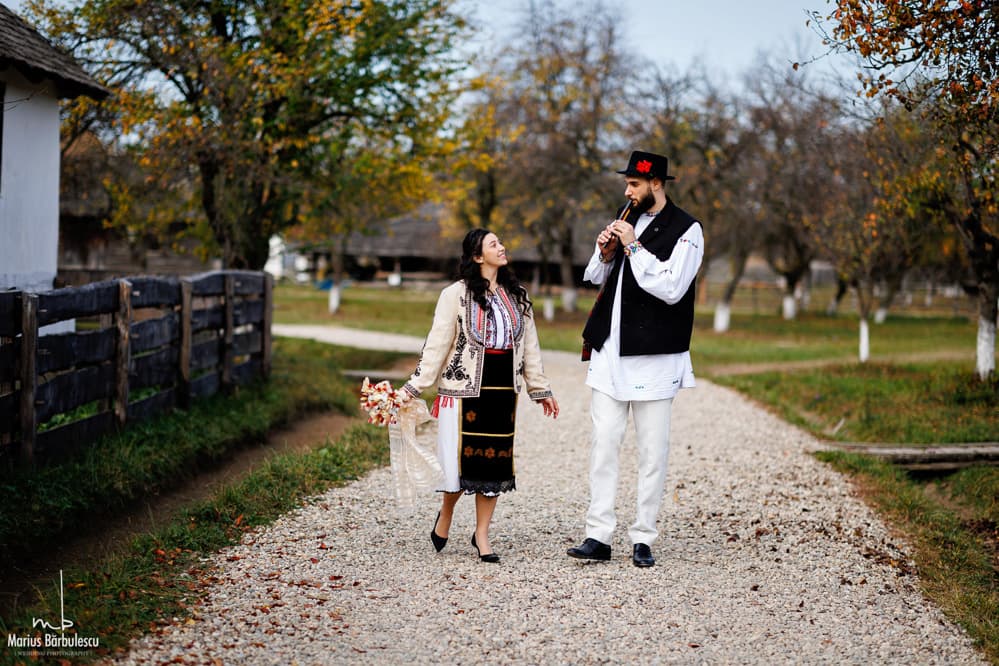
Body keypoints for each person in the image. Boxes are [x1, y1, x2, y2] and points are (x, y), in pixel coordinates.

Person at [568, 150, 704, 568]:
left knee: (652, 451)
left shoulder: (689, 230)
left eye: (634, 184)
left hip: (656, 356)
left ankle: (643, 537)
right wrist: (605, 252)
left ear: (656, 184)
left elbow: (671, 287)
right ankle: (598, 535)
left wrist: (634, 246)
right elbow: (598, 276)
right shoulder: (626, 218)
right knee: (604, 445)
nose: (627, 191)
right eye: (626, 184)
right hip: (611, 351)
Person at [401, 229, 559, 563]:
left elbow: (530, 347)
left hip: (502, 391)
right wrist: (412, 388)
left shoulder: (517, 296)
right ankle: (446, 514)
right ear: (477, 256)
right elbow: (437, 344)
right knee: (459, 464)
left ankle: (482, 535)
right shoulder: (454, 295)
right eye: (493, 244)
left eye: (501, 242)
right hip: (463, 390)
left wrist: (540, 390)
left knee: (493, 465)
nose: (502, 247)